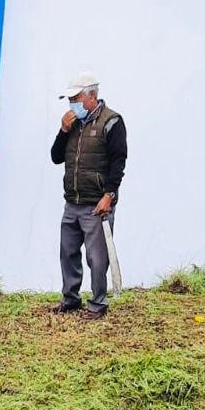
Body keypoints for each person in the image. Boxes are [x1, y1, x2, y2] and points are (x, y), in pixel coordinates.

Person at [50, 71, 127, 319]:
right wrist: (63, 131)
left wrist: (109, 196)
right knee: (68, 252)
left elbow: (118, 162)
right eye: (69, 99)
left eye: (76, 98)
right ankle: (70, 299)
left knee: (97, 258)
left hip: (97, 205)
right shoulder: (72, 125)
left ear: (92, 96)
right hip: (72, 201)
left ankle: (98, 304)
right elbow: (55, 157)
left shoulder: (112, 122)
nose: (72, 104)